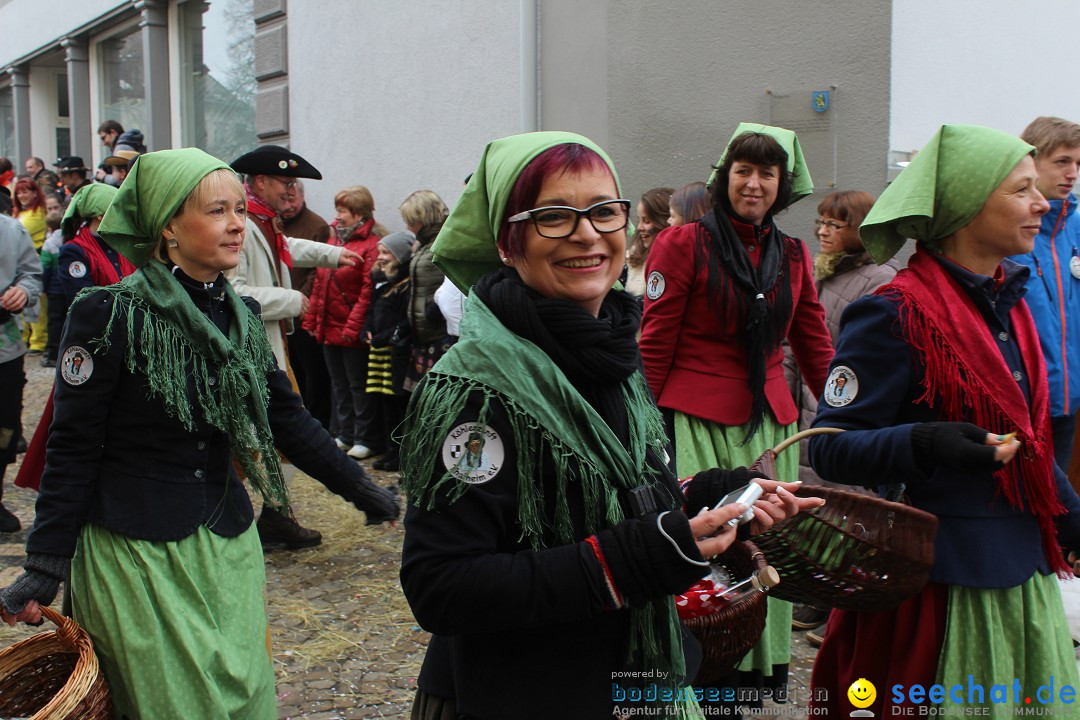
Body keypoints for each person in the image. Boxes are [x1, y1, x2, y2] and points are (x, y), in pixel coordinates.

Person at [399, 131, 823, 719]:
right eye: (553, 216)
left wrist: (712, 496)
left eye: (604, 211)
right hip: (531, 693)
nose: (587, 232)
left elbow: (612, 501)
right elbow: (441, 587)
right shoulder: (475, 391)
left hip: (635, 680)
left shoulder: (612, 353)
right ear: (506, 243)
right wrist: (631, 560)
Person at [0, 148, 398, 719]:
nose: (238, 223)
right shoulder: (109, 313)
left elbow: (286, 417)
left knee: (245, 700)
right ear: (168, 227)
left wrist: (362, 490)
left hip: (226, 544)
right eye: (217, 211)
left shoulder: (237, 314)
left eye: (239, 209)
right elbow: (73, 445)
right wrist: (44, 562)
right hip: (136, 552)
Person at [807, 124, 1080, 716]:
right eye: (1022, 190)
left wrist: (1071, 516)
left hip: (1020, 571)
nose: (1043, 203)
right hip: (939, 587)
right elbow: (829, 446)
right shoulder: (893, 313)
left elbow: (1027, 440)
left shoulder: (1010, 301)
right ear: (965, 206)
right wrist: (923, 441)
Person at [639, 123, 834, 701]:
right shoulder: (681, 244)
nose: (754, 184)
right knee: (713, 545)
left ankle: (749, 668)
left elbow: (814, 342)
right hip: (696, 421)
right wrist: (644, 428)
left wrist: (853, 413)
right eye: (743, 171)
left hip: (769, 425)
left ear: (782, 186)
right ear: (726, 178)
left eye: (766, 174)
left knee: (765, 547)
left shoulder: (794, 255)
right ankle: (695, 661)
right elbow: (655, 343)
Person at [228, 144, 361, 548]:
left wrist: (335, 255)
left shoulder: (264, 221)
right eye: (286, 183)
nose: (291, 190)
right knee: (252, 438)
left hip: (271, 347)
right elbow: (233, 293)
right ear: (262, 182)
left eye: (294, 184)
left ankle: (275, 516)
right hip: (251, 352)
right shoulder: (242, 224)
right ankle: (242, 518)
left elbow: (287, 251)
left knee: (272, 436)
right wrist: (292, 300)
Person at [1007, 117, 1080, 473]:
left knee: (1059, 515)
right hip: (1019, 403)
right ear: (1032, 163)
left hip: (1068, 401)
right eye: (1063, 162)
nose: (1073, 173)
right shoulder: (1007, 228)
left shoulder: (1076, 228)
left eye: (1078, 164)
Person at [304, 185, 386, 461]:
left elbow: (366, 292)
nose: (337, 216)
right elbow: (320, 285)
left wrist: (353, 327)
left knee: (357, 384)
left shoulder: (370, 245)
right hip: (329, 325)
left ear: (359, 213)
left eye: (342, 210)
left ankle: (364, 437)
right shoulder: (333, 242)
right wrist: (314, 319)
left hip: (349, 327)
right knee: (338, 383)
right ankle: (344, 433)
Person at [0, 212, 41, 532]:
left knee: (5, 427)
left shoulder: (12, 231)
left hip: (5, 348)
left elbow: (31, 275)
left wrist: (23, 292)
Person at [280, 180, 333, 429]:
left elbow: (317, 271)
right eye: (285, 200)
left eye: (293, 200)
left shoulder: (316, 226)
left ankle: (315, 421)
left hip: (303, 311)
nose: (288, 206)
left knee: (313, 373)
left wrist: (299, 301)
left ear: (302, 196)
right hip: (284, 309)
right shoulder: (277, 223)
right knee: (294, 370)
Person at [362, 231, 414, 472]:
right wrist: (367, 330)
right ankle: (388, 449)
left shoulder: (406, 285)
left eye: (386, 253)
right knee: (382, 401)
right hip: (379, 353)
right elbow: (372, 311)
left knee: (397, 404)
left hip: (395, 352)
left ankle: (400, 452)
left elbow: (406, 320)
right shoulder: (381, 281)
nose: (380, 258)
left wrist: (384, 336)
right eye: (379, 252)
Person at [399, 190, 451, 392]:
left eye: (410, 220)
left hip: (440, 335)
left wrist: (437, 308)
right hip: (424, 336)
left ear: (422, 218)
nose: (407, 226)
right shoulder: (425, 244)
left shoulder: (445, 243)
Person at [13, 177, 48, 354]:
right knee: (21, 302)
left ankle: (38, 340)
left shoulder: (38, 212)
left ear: (34, 192)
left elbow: (20, 230)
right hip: (18, 262)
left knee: (36, 303)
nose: (21, 195)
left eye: (25, 191)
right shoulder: (19, 212)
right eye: (19, 192)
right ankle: (26, 338)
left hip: (35, 260)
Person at [625, 187, 674, 298]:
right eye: (639, 220)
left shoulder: (678, 265)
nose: (639, 227)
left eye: (646, 221)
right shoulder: (630, 259)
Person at [38, 195, 64, 368]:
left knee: (54, 321)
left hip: (54, 289)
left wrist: (44, 287)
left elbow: (45, 268)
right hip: (65, 287)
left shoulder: (48, 244)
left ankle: (52, 354)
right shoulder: (67, 238)